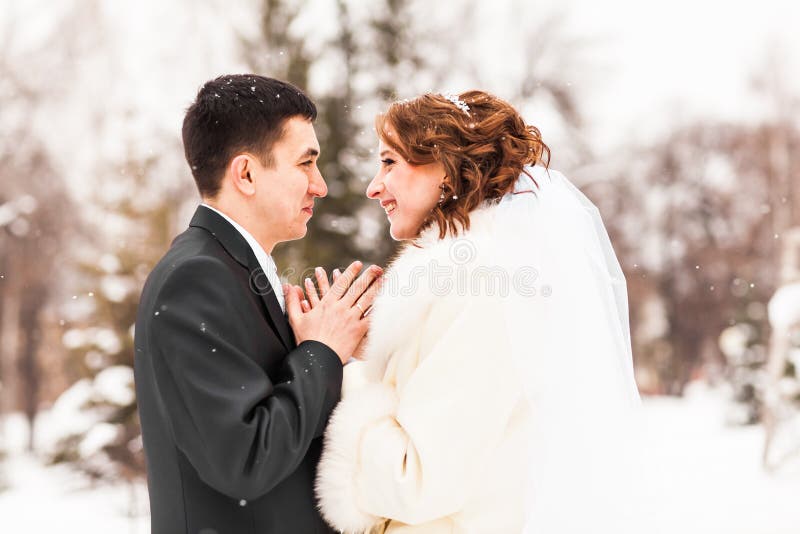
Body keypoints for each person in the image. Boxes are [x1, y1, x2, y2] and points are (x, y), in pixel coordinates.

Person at [305, 91, 646, 533]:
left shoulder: (477, 290)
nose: (374, 186)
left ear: (446, 170)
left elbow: (417, 481)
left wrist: (331, 365)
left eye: (389, 162)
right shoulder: (464, 283)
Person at [133, 74, 382, 534]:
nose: (320, 185)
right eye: (305, 164)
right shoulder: (195, 279)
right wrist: (321, 352)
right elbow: (245, 458)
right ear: (245, 174)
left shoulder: (232, 270)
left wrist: (340, 352)